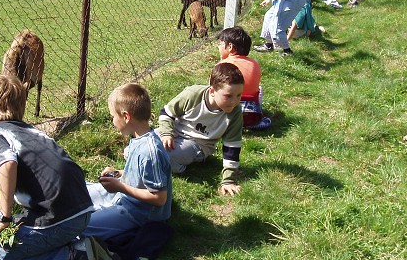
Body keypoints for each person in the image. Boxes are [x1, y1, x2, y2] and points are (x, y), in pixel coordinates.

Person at [0, 73, 118, 260]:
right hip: (83, 209)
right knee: (23, 235)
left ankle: (72, 259)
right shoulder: (31, 131)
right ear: (22, 107)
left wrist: (3, 217)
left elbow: (7, 163)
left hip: (57, 218)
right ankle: (77, 248)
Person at [84, 83, 172, 241]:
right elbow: (141, 175)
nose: (112, 121)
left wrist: (120, 187)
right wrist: (118, 173)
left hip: (139, 214)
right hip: (125, 197)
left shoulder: (149, 152)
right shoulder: (138, 137)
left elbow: (159, 198)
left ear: (126, 116)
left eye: (113, 116)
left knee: (80, 227)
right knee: (80, 191)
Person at [158, 62, 244, 196]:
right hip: (173, 133)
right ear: (212, 91)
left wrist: (228, 180)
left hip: (198, 144)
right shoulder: (193, 95)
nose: (234, 101)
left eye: (239, 95)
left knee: (164, 157)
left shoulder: (235, 112)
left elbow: (232, 146)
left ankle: (180, 166)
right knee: (137, 147)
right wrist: (166, 133)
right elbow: (166, 113)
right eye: (228, 96)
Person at [216, 26, 271, 130]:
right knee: (259, 88)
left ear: (230, 47)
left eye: (220, 44)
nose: (218, 47)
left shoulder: (221, 66)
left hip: (224, 116)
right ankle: (257, 116)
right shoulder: (255, 64)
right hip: (251, 116)